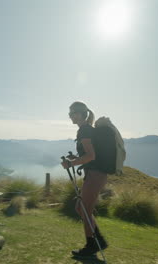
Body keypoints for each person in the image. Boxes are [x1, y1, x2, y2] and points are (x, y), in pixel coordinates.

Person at [60, 101, 108, 258]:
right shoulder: (86, 129)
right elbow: (90, 156)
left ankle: (92, 245)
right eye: (69, 114)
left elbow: (91, 156)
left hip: (95, 175)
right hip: (95, 174)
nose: (70, 116)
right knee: (81, 209)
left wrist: (71, 163)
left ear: (80, 114)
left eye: (72, 113)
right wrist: (76, 158)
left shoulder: (85, 130)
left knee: (84, 209)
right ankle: (97, 240)